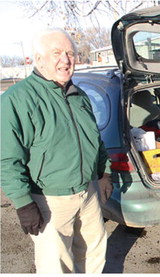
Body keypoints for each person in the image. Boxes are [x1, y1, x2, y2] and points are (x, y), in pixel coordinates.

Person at [1, 28, 113, 273]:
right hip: (49, 198)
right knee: (56, 265)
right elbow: (6, 159)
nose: (66, 59)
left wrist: (104, 173)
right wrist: (23, 203)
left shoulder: (79, 95)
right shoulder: (16, 99)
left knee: (93, 251)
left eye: (70, 53)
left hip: (88, 192)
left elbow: (95, 138)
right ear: (38, 59)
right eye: (57, 53)